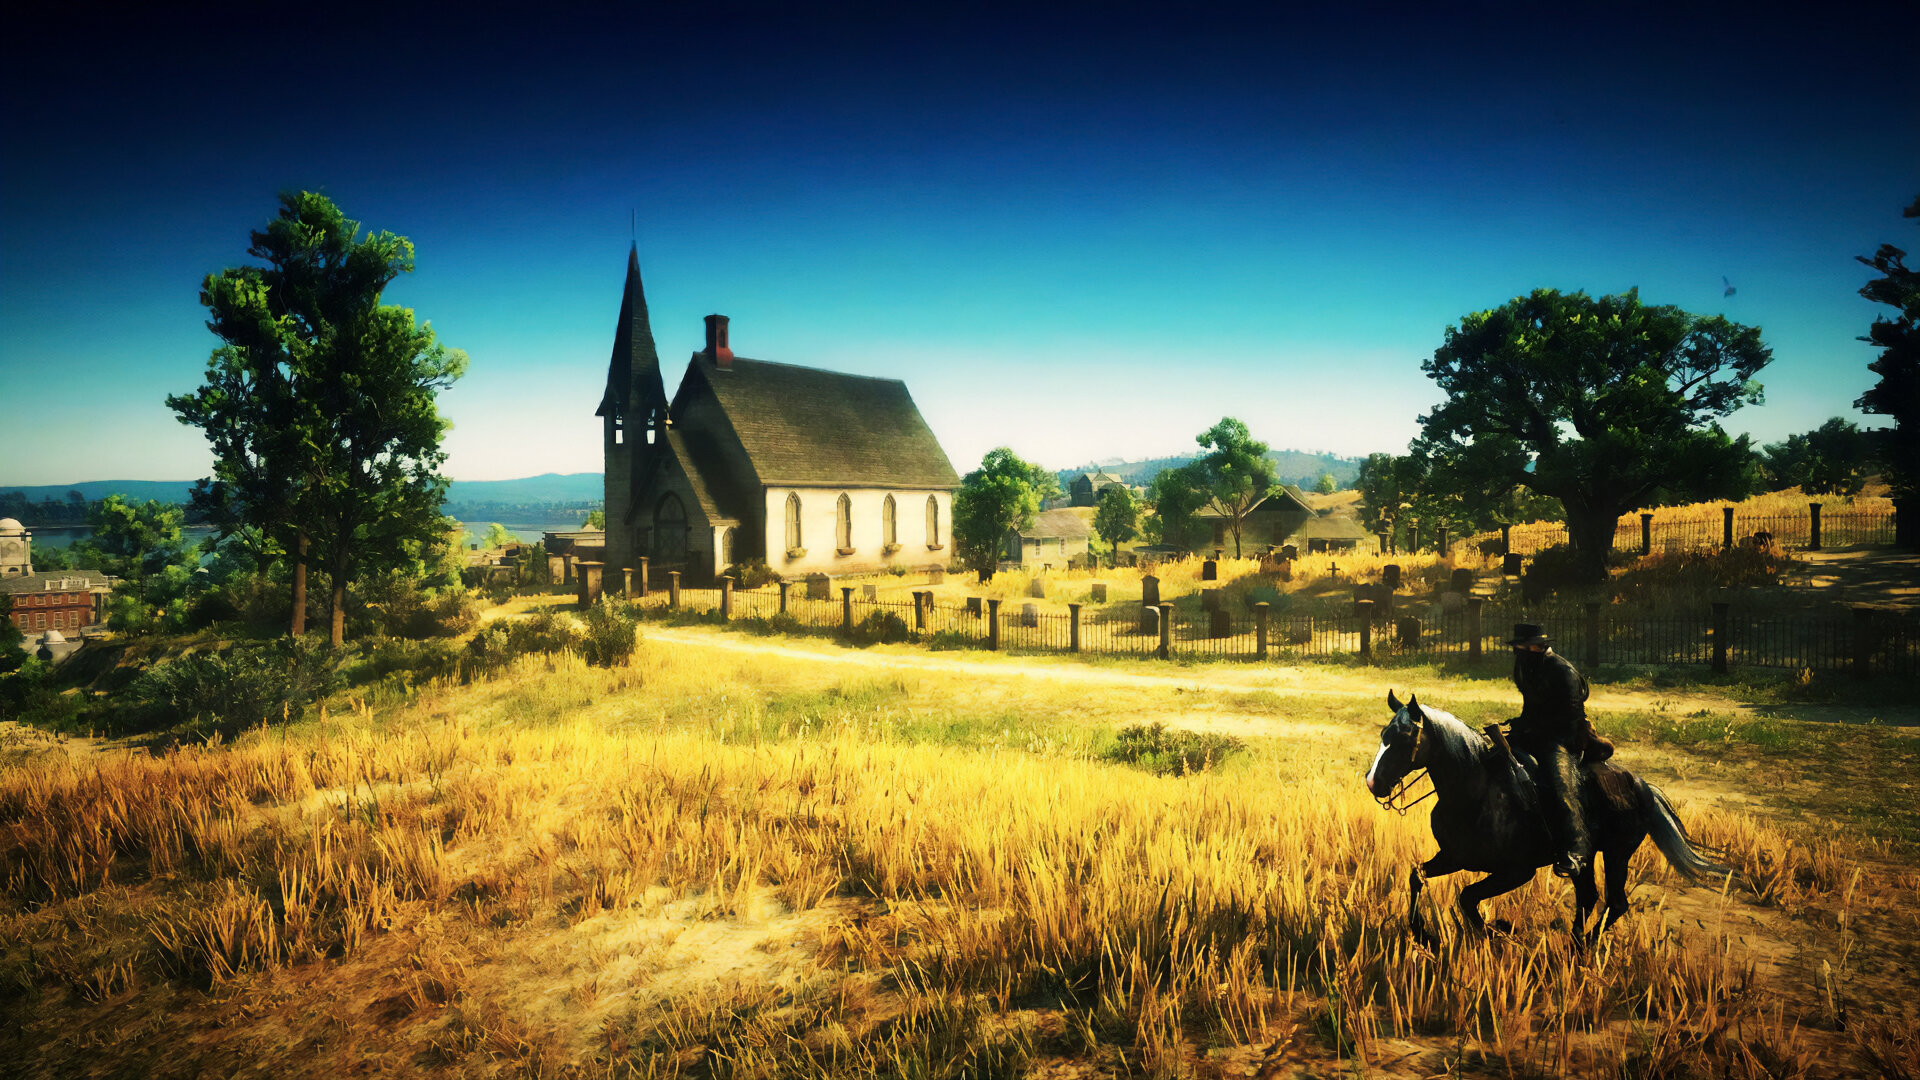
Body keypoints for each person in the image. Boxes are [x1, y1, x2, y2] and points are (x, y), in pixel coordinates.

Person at [1492, 623, 1603, 879]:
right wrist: (1519, 725)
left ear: (1539, 646)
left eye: (1524, 646)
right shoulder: (1523, 666)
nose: (1519, 651)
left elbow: (1571, 718)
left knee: (1561, 785)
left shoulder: (1563, 671)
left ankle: (1575, 850)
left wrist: (1534, 729)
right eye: (1518, 646)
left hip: (1562, 739)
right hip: (1533, 733)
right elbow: (1530, 707)